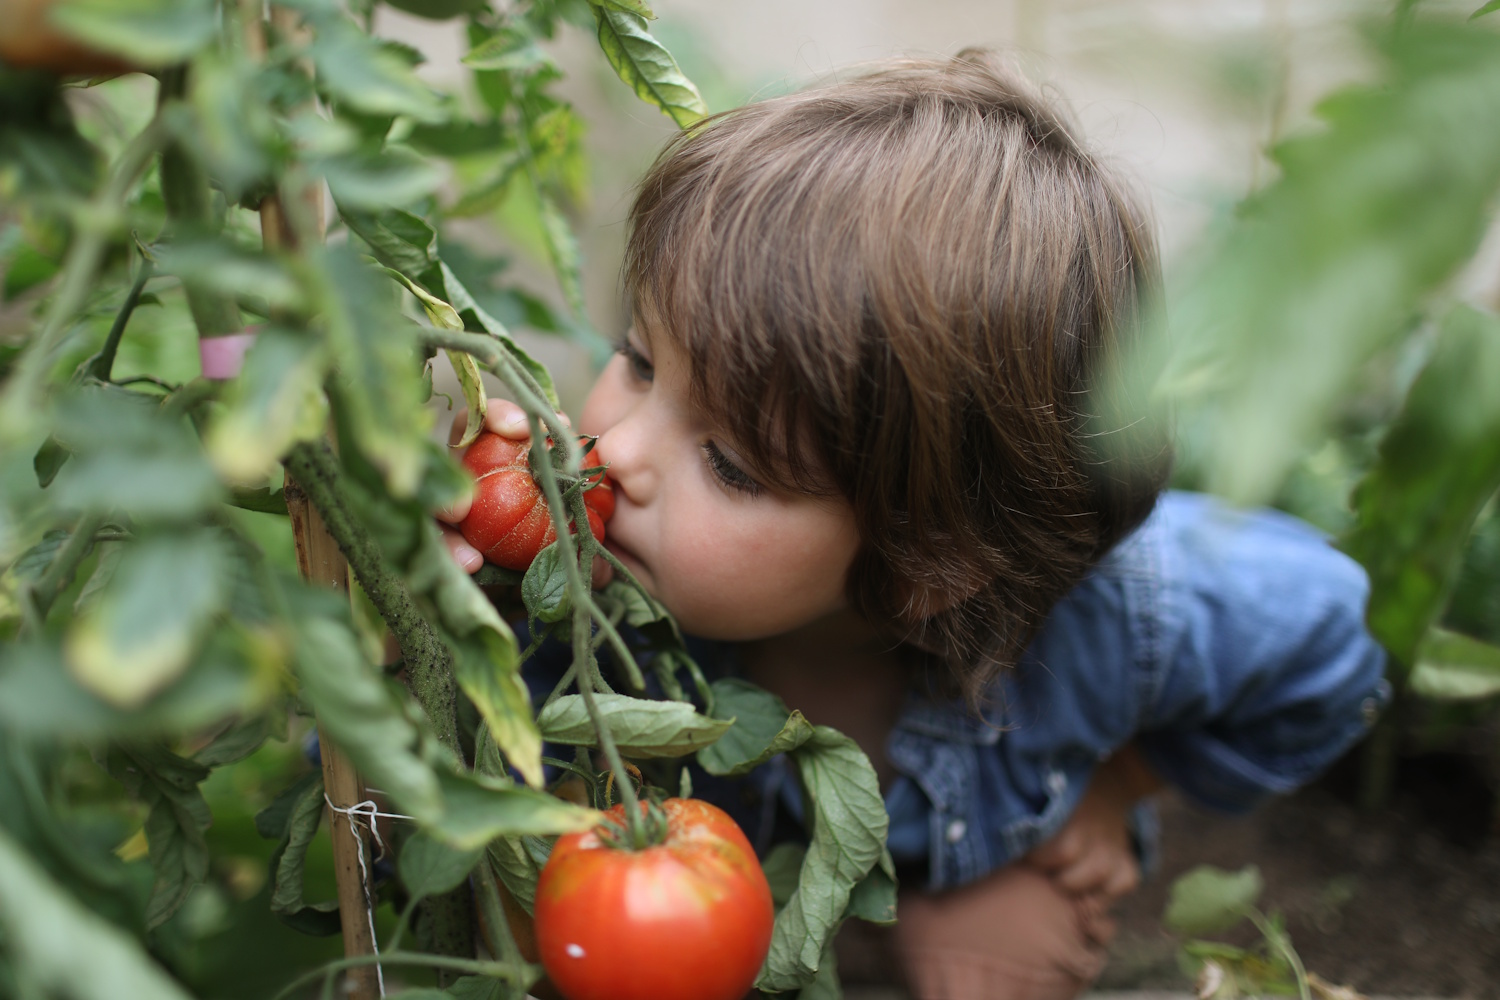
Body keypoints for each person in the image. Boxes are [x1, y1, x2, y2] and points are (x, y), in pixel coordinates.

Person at [438, 51, 1389, 1000]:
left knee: (987, 968)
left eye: (731, 464)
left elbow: (1333, 633)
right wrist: (440, 610)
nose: (615, 450)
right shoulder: (578, 613)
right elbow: (413, 779)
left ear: (930, 564)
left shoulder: (1130, 615)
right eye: (638, 360)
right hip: (688, 889)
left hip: (981, 864)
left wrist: (1125, 782)